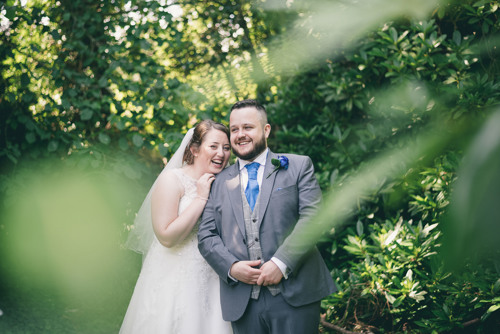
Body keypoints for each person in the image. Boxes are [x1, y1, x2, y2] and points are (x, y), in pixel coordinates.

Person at [198, 100, 336, 334]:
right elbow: (206, 235)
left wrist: (281, 263)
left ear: (266, 130)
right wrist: (232, 267)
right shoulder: (218, 181)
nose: (240, 135)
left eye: (248, 127)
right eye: (234, 129)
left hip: (295, 295)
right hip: (242, 302)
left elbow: (313, 218)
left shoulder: (298, 166)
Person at [120, 120, 233, 334]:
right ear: (194, 149)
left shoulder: (224, 181)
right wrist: (200, 198)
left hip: (213, 277)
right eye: (214, 146)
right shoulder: (172, 180)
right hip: (174, 276)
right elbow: (166, 237)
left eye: (226, 148)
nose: (221, 153)